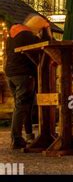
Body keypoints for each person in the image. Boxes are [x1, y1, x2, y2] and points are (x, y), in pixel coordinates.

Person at [5, 14, 52, 149]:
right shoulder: (28, 36)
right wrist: (46, 29)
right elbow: (48, 45)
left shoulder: (12, 35)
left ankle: (28, 135)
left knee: (22, 106)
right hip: (24, 74)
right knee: (22, 106)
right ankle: (17, 138)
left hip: (11, 74)